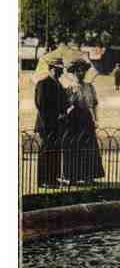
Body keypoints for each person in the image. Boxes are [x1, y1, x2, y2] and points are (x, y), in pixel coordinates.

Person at [62, 58, 105, 184]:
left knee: (89, 147)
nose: (81, 74)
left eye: (83, 71)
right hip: (74, 120)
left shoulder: (90, 87)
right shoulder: (70, 87)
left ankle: (88, 175)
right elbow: (65, 106)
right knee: (74, 147)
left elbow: (94, 104)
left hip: (87, 119)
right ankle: (72, 176)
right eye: (78, 71)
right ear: (74, 73)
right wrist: (72, 100)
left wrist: (96, 119)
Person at [34, 57, 69, 188]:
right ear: (51, 69)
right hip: (46, 124)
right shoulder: (43, 83)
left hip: (56, 125)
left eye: (61, 70)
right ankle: (44, 180)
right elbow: (41, 104)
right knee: (46, 151)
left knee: (55, 151)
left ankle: (53, 178)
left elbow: (63, 103)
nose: (60, 73)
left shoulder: (58, 84)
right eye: (58, 70)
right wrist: (57, 115)